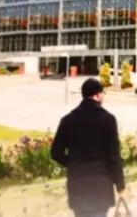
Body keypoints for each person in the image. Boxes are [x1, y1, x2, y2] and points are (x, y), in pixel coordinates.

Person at [51, 78, 126, 217]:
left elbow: (55, 152)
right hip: (100, 184)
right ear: (98, 95)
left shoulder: (68, 120)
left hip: (77, 184)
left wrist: (72, 163)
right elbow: (113, 156)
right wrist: (120, 185)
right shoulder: (107, 119)